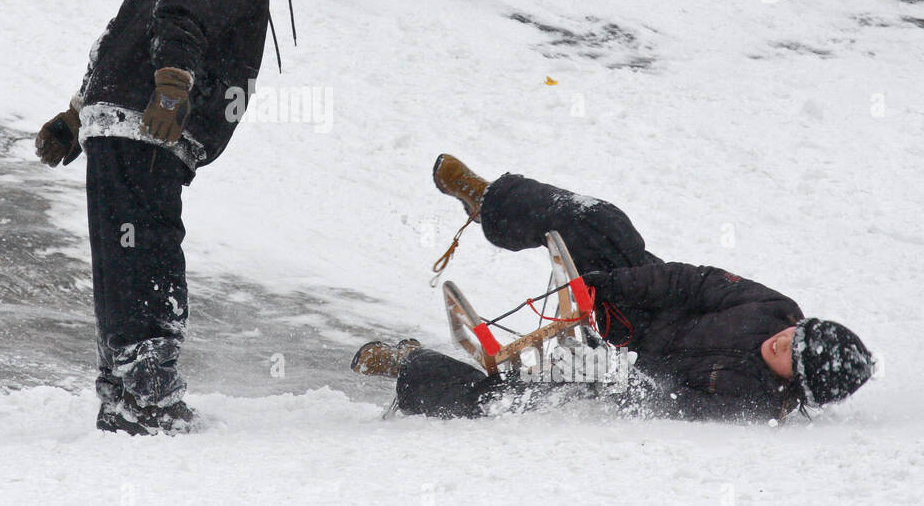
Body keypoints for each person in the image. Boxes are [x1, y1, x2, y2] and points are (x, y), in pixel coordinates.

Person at [36, 0, 315, 435]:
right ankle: (148, 396)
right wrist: (173, 87)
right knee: (151, 253)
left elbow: (118, 40)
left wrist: (76, 116)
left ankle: (121, 391)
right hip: (150, 131)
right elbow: (179, 20)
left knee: (121, 257)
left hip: (117, 126)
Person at [353, 155, 875, 422]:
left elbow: (667, 402)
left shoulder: (753, 401)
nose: (784, 343)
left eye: (794, 356)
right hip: (633, 303)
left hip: (619, 365)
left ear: (797, 384)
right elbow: (688, 282)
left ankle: (410, 366)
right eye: (797, 336)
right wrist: (607, 285)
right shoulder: (774, 310)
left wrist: (614, 372)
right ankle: (488, 200)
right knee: (604, 223)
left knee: (501, 402)